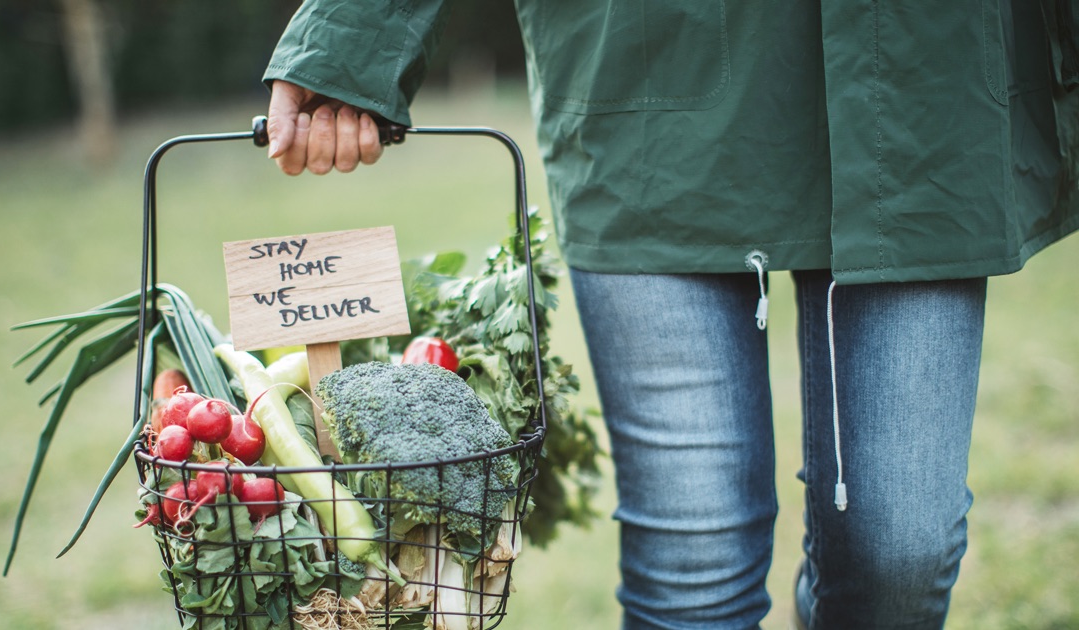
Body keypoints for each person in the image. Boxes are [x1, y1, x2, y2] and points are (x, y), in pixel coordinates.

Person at [260, 2, 1078, 628]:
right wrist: (349, 35)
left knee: (901, 549)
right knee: (696, 562)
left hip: (923, 92)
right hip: (656, 77)